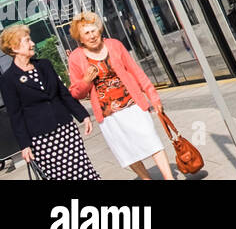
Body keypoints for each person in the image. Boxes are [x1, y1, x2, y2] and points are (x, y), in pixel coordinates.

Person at [66, 11, 174, 180]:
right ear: (79, 37)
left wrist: (153, 97)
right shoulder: (75, 58)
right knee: (128, 151)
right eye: (86, 33)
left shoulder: (114, 45)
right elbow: (76, 93)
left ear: (100, 30)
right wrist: (86, 80)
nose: (92, 35)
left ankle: (169, 178)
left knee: (152, 140)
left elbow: (136, 72)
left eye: (94, 30)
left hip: (133, 105)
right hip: (108, 115)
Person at [0, 24, 100, 179]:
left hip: (66, 129)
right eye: (27, 41)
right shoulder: (8, 79)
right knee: (61, 176)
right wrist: (24, 145)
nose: (32, 44)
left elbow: (63, 93)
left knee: (84, 170)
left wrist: (83, 115)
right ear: (14, 48)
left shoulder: (44, 65)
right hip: (42, 139)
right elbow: (15, 115)